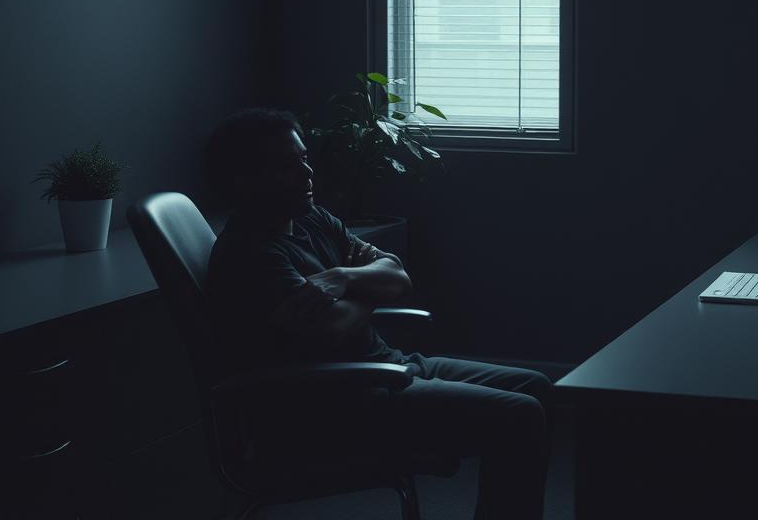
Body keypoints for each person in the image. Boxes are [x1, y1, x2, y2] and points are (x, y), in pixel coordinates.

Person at [204, 108, 550, 519]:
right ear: (245, 181)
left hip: (388, 368)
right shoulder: (252, 254)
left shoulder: (311, 218)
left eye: (303, 158)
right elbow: (332, 328)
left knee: (536, 385)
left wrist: (343, 278)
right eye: (285, 166)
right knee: (520, 415)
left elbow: (398, 276)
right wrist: (365, 288)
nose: (306, 173)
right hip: (339, 403)